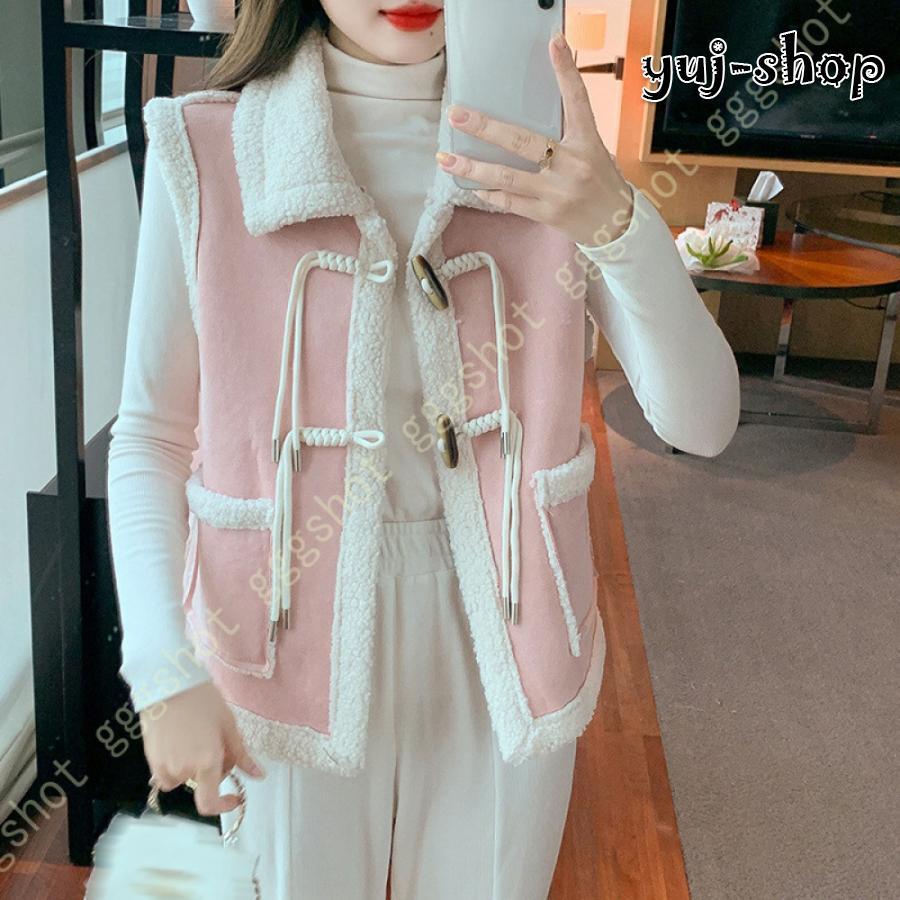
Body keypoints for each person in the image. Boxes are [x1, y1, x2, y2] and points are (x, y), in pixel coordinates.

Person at [106, 2, 741, 897]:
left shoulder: (546, 155)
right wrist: (162, 666)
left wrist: (617, 222)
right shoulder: (209, 148)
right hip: (284, 633)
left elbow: (702, 423)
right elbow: (152, 436)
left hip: (508, 627)